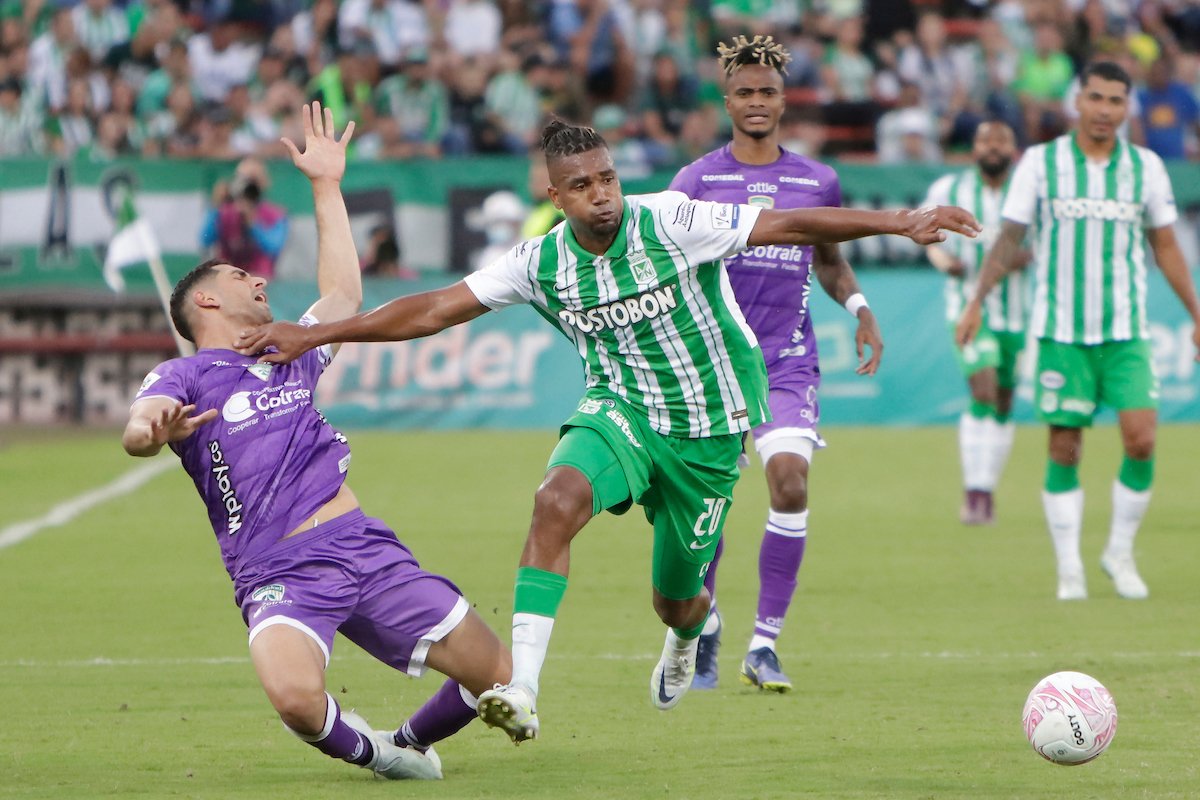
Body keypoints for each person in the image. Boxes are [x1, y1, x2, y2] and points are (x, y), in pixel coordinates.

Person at [234, 117, 979, 744]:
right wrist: (315, 336)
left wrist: (900, 220)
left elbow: (789, 223)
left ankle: (692, 631)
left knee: (675, 599)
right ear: (555, 196)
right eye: (583, 186)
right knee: (555, 500)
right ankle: (521, 689)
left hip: (709, 431)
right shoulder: (541, 261)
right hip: (620, 412)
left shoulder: (672, 220)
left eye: (608, 179)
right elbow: (431, 309)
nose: (602, 196)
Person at [122, 103, 511, 780]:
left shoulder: (288, 350)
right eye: (242, 278)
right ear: (206, 303)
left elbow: (342, 293)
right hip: (277, 570)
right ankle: (376, 755)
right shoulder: (185, 373)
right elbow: (142, 421)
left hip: (361, 543)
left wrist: (326, 185)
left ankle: (411, 741)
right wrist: (150, 431)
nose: (260, 279)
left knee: (498, 674)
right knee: (297, 700)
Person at [666, 34, 883, 694]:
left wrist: (860, 307)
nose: (756, 102)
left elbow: (829, 260)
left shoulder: (817, 180)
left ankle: (764, 647)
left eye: (767, 92)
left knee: (789, 482)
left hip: (787, 362)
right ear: (726, 101)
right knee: (705, 515)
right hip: (713, 367)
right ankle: (701, 628)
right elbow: (667, 267)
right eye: (744, 93)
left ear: (784, 100)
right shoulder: (697, 181)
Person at [957, 62, 1200, 601]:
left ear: (1127, 108)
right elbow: (1009, 237)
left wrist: (1196, 313)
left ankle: (1119, 551)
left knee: (1142, 440)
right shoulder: (1042, 165)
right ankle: (1070, 568)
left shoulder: (1147, 168)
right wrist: (977, 301)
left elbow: (1165, 245)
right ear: (1077, 102)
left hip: (1127, 332)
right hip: (1061, 333)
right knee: (1065, 446)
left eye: (1116, 100)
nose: (1105, 110)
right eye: (1096, 98)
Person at [924, 120, 1026, 526]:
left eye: (1002, 139)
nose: (993, 147)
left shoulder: (1028, 188)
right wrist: (945, 262)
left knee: (1002, 402)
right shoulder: (948, 191)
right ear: (975, 147)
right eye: (986, 140)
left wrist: (1012, 259)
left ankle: (987, 488)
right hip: (967, 309)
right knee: (982, 390)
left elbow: (1043, 246)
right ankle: (975, 493)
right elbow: (926, 236)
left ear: (1013, 148)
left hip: (1020, 312)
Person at [201, 156, 289, 279]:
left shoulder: (275, 215)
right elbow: (205, 239)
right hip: (228, 278)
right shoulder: (225, 212)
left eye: (252, 180)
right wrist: (216, 206)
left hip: (260, 279)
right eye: (241, 179)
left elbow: (273, 247)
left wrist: (252, 222)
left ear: (264, 182)